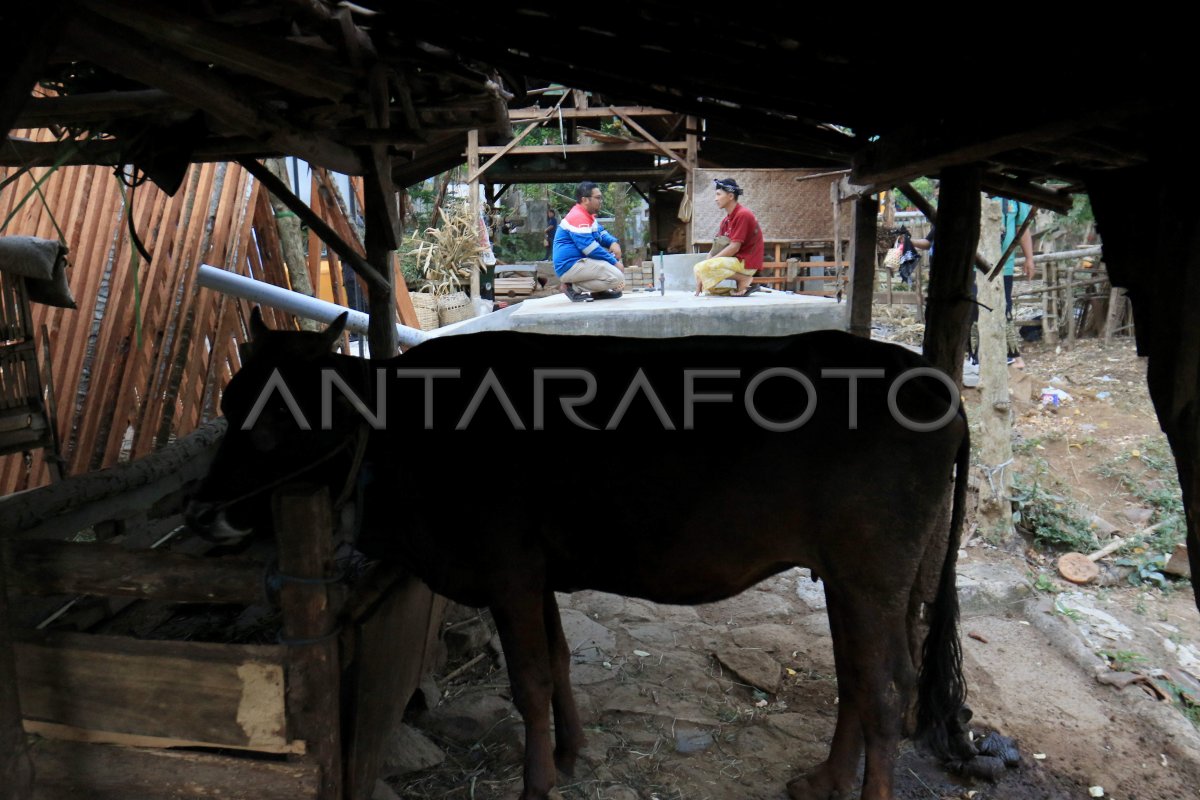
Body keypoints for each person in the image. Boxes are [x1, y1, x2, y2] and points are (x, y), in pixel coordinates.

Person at [552, 182, 624, 302]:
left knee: (613, 270)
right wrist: (614, 262)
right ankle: (572, 287)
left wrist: (613, 243)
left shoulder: (587, 216)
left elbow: (600, 233)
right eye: (598, 198)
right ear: (585, 200)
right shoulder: (578, 217)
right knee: (616, 276)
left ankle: (599, 292)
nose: (601, 201)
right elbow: (590, 248)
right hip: (570, 265)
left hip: (580, 262)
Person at [693, 178, 764, 296]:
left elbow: (734, 248)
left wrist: (708, 264)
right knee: (699, 269)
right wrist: (703, 270)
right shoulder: (726, 220)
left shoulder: (743, 214)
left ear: (730, 196)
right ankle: (738, 288)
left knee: (703, 267)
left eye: (718, 194)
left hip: (746, 263)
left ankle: (743, 279)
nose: (715, 199)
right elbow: (715, 248)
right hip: (736, 262)